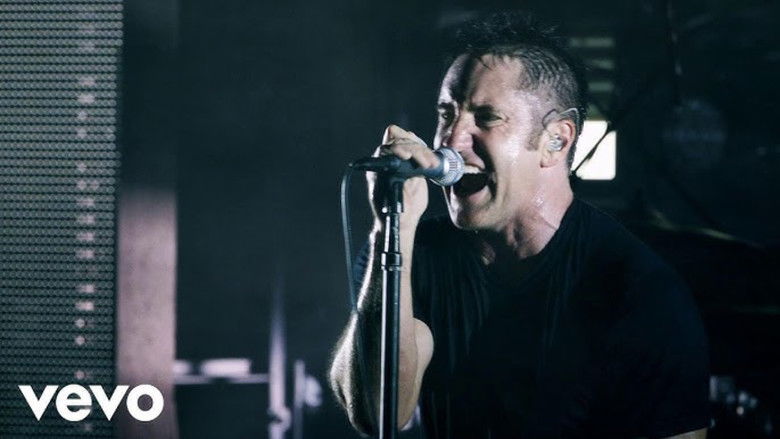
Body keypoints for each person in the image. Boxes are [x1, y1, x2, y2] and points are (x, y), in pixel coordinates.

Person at [329, 12, 709, 439]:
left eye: (486, 117)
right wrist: (392, 229)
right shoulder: (410, 255)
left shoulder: (637, 289)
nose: (450, 141)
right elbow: (375, 410)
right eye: (446, 113)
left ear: (556, 141)